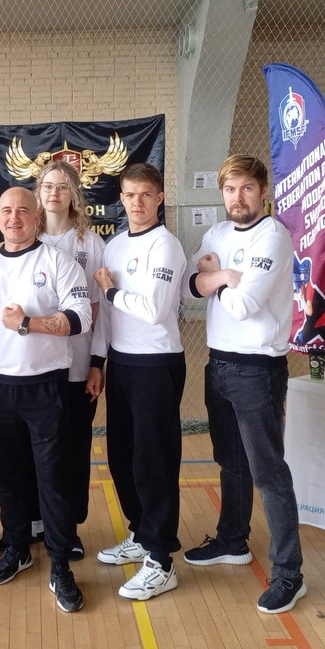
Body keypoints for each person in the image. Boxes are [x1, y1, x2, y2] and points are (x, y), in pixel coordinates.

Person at [0, 186, 93, 613]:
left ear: (36, 217)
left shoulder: (58, 262)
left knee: (53, 478)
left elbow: (80, 318)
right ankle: (17, 547)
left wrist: (28, 323)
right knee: (8, 476)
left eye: (23, 211)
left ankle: (60, 565)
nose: (14, 218)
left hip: (47, 387)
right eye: (7, 211)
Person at [186, 154, 306, 615]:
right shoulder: (217, 232)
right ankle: (232, 540)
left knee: (268, 471)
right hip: (218, 363)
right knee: (230, 461)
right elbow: (190, 284)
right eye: (230, 189)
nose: (238, 197)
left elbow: (244, 305)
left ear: (263, 192)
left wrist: (213, 277)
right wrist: (223, 276)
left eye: (247, 188)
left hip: (258, 369)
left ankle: (289, 574)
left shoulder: (273, 236)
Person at [92, 162, 187, 600]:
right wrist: (99, 362)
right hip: (122, 363)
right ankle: (142, 533)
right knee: (122, 458)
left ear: (159, 198)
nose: (137, 203)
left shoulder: (165, 246)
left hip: (156, 364)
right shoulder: (113, 246)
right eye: (130, 195)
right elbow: (107, 319)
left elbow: (152, 309)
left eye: (146, 194)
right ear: (121, 198)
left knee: (154, 462)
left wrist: (111, 292)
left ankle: (162, 561)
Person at [35, 161, 107, 559]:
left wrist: (97, 363)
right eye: (48, 186)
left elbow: (98, 311)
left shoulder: (91, 244)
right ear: (39, 192)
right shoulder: (26, 236)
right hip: (36, 366)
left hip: (78, 366)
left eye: (63, 186)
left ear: (74, 194)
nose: (54, 193)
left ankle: (69, 526)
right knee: (38, 448)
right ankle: (37, 520)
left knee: (74, 448)